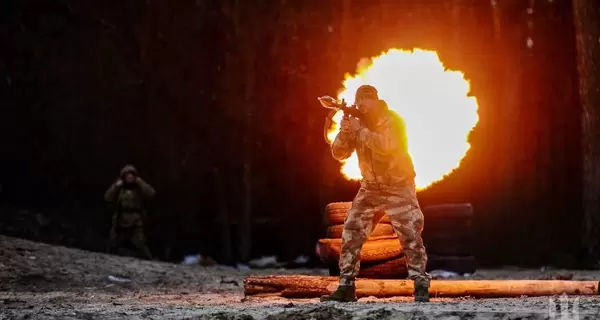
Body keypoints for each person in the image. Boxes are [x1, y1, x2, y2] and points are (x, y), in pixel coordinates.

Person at [320, 85, 431, 303]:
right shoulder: (358, 122)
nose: (361, 105)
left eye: (365, 101)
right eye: (358, 101)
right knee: (351, 232)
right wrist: (345, 131)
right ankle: (346, 287)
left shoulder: (392, 120)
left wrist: (360, 130)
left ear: (375, 101)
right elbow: (339, 153)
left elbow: (387, 146)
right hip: (370, 189)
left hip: (398, 187)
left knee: (410, 236)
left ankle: (420, 285)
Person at [104, 164, 156, 260]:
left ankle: (150, 259)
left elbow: (151, 193)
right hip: (121, 218)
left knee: (140, 242)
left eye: (132, 175)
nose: (129, 177)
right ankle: (108, 258)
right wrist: (115, 186)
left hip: (136, 219)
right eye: (127, 175)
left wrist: (140, 182)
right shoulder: (120, 187)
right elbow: (108, 197)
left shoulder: (139, 187)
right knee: (114, 240)